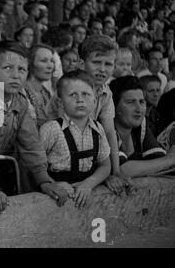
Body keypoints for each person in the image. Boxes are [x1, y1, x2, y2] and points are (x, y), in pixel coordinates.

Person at [0, 41, 71, 213]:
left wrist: (44, 179)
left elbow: (31, 144)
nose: (16, 75)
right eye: (8, 68)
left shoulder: (19, 101)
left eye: (22, 70)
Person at [46, 35, 129, 196]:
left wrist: (115, 172)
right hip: (58, 149)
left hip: (83, 143)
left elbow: (109, 131)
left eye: (108, 64)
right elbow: (69, 131)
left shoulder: (105, 91)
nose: (102, 69)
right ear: (82, 64)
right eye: (96, 63)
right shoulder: (69, 87)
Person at [40, 71, 112, 208]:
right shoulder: (51, 129)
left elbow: (105, 165)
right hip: (54, 199)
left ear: (94, 100)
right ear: (60, 102)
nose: (80, 99)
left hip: (85, 195)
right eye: (73, 95)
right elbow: (35, 166)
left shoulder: (98, 129)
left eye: (86, 94)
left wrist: (89, 184)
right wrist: (51, 184)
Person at [110, 76, 175, 177]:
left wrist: (165, 160)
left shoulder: (140, 125)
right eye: (130, 102)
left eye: (141, 102)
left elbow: (158, 159)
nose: (139, 109)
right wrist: (170, 158)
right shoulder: (108, 129)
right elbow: (122, 170)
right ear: (114, 107)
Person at [23, 44, 55, 128]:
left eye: (52, 61)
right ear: (30, 63)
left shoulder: (46, 93)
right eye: (44, 61)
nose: (50, 66)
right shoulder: (22, 92)